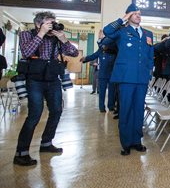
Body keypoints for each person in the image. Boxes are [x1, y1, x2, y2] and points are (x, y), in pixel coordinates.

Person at [13, 11, 79, 166]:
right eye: (49, 22)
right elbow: (26, 52)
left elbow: (74, 53)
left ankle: (46, 143)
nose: (52, 25)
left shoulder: (56, 38)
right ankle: (21, 153)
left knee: (56, 110)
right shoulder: (26, 34)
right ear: (38, 24)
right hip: (34, 79)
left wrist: (64, 39)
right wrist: (41, 34)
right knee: (34, 115)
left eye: (53, 22)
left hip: (52, 79)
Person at [103, 3, 154, 156]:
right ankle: (125, 143)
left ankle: (136, 141)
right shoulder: (121, 31)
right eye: (135, 13)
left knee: (138, 110)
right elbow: (107, 31)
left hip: (142, 78)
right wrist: (123, 18)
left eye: (139, 13)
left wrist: (149, 72)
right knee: (125, 109)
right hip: (126, 77)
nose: (138, 16)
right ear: (128, 16)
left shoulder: (148, 33)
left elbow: (150, 55)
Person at [80, 30, 118, 113]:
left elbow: (106, 45)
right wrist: (85, 59)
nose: (100, 35)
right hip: (103, 74)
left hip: (112, 74)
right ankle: (101, 107)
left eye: (102, 34)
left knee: (112, 92)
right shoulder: (101, 51)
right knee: (102, 92)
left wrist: (101, 40)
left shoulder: (113, 47)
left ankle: (111, 106)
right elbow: (93, 56)